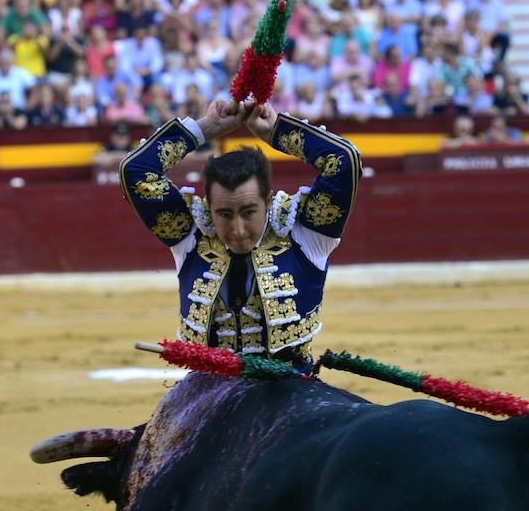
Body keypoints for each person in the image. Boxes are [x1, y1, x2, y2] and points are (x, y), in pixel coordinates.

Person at [119, 100, 361, 372]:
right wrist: (203, 129)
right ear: (209, 208)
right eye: (224, 214)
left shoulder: (305, 234)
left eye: (248, 212)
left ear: (268, 201)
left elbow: (344, 161)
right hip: (210, 395)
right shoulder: (190, 234)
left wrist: (277, 132)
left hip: (291, 398)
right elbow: (135, 172)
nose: (237, 229)